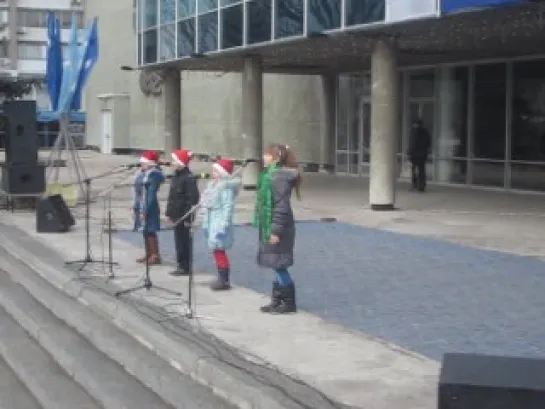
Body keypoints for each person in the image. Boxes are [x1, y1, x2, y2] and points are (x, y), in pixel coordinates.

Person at [254, 143, 301, 314]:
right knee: (275, 263)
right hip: (272, 225)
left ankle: (289, 303)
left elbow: (281, 207)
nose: (263, 158)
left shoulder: (278, 178)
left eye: (267, 155)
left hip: (279, 228)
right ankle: (277, 300)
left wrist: (275, 231)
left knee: (280, 265)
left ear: (277, 158)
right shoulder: (270, 176)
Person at [201, 158, 241, 291]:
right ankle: (221, 276)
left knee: (219, 249)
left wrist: (223, 225)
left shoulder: (226, 188)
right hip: (212, 220)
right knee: (215, 249)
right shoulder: (213, 185)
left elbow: (228, 206)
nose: (213, 173)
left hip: (219, 221)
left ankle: (224, 279)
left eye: (216, 170)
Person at [166, 149, 200, 276]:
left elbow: (193, 199)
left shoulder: (188, 178)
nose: (173, 163)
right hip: (176, 214)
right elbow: (172, 196)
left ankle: (185, 266)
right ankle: (180, 264)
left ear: (181, 162)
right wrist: (169, 213)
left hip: (184, 215)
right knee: (178, 240)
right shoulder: (176, 176)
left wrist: (188, 218)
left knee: (184, 241)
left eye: (175, 160)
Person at [136, 150, 166, 265]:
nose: (141, 165)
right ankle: (148, 253)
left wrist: (146, 209)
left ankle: (155, 255)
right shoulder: (145, 174)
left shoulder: (154, 175)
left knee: (150, 230)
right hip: (143, 204)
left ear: (150, 164)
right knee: (145, 231)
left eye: (144, 163)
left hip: (150, 206)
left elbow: (151, 194)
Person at [408, 119, 431, 192]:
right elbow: (411, 144)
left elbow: (426, 143)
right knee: (416, 170)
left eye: (416, 124)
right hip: (417, 154)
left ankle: (420, 185)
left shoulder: (420, 133)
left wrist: (410, 152)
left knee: (419, 170)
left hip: (419, 154)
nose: (415, 126)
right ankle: (417, 185)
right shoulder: (414, 132)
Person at [132, 167, 145, 232]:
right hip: (137, 200)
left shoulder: (146, 175)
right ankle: (137, 225)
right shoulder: (138, 174)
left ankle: (140, 225)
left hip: (142, 201)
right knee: (136, 207)